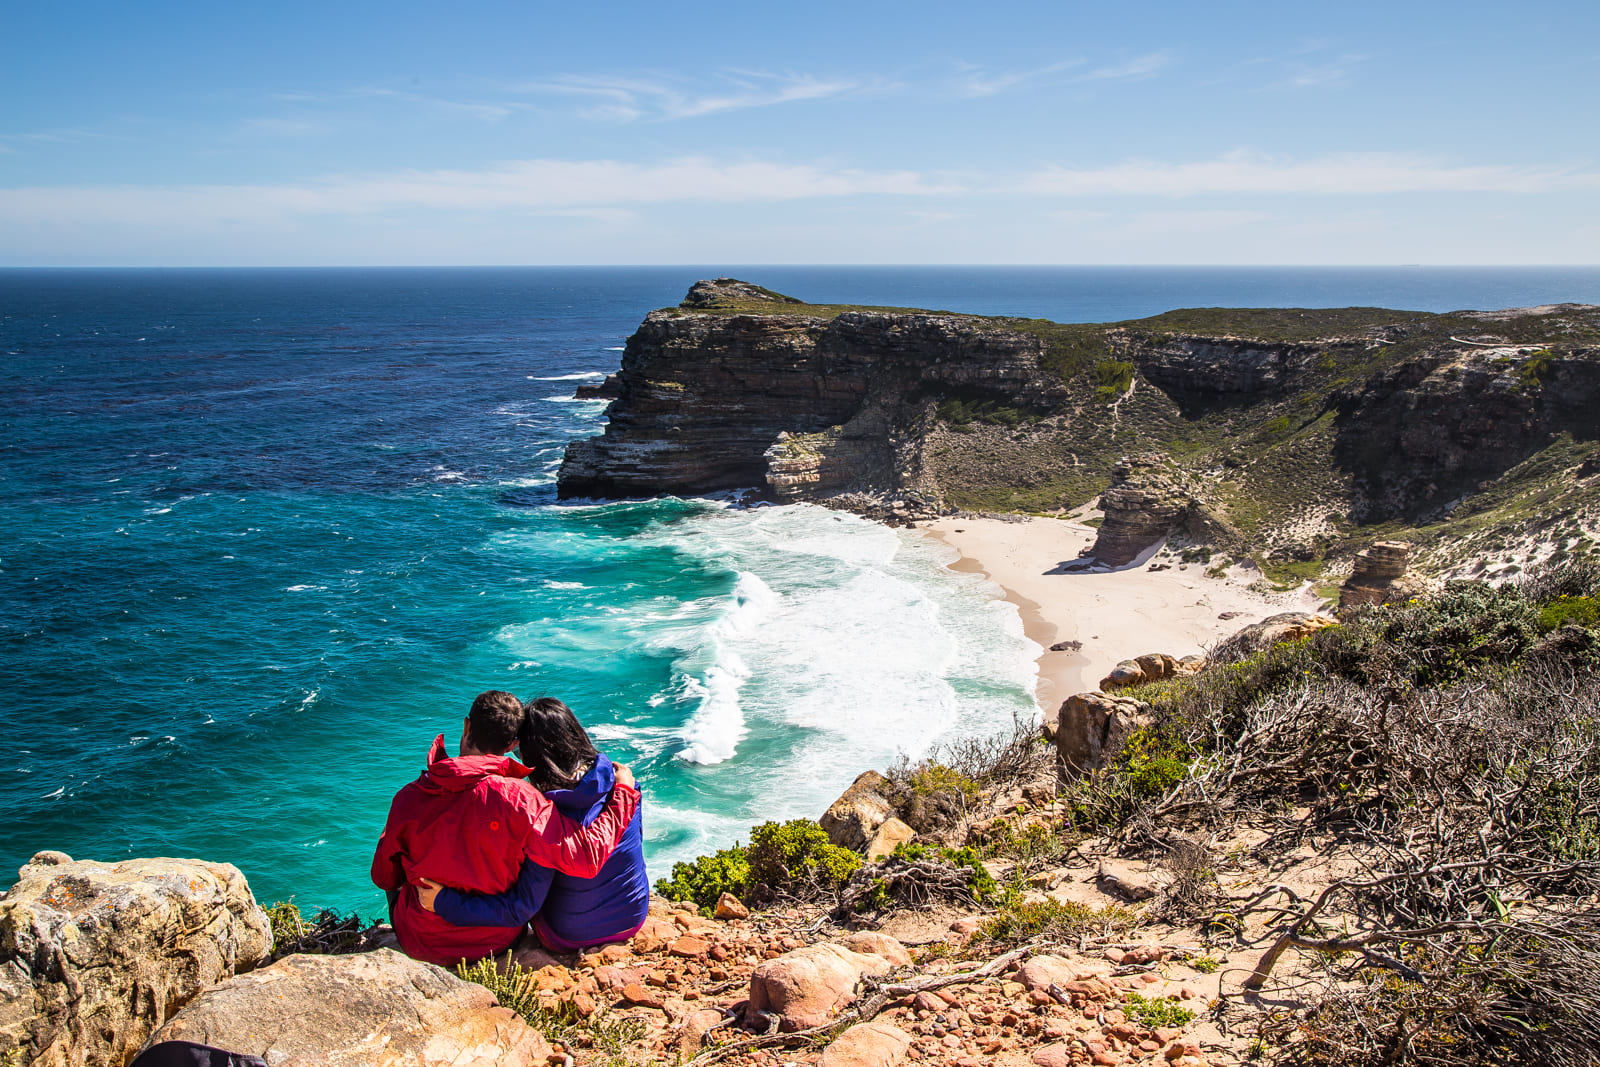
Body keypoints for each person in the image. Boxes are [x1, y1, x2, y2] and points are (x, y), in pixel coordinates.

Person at [370, 690, 639, 967]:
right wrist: (623, 794)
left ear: (466, 726)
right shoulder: (524, 800)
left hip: (420, 942)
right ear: (512, 746)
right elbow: (585, 857)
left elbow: (383, 878)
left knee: (393, 847)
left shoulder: (409, 797)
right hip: (496, 943)